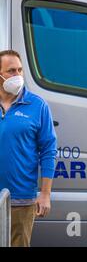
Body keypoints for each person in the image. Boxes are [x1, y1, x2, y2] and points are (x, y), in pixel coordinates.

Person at [0, 50, 57, 247]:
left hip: (22, 200)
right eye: (11, 71)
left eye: (20, 70)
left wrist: (45, 194)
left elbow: (49, 150)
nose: (17, 75)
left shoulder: (37, 105)